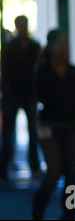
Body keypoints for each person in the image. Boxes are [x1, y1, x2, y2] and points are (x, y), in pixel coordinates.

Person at [32, 29, 75, 220]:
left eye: (66, 43)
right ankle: (39, 201)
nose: (64, 48)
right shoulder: (42, 71)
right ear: (51, 46)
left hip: (71, 126)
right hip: (50, 126)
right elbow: (41, 96)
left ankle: (70, 213)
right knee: (54, 171)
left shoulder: (74, 71)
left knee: (72, 174)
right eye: (60, 43)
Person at [0, 15, 41, 180]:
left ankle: (34, 164)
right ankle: (5, 165)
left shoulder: (34, 46)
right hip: (13, 93)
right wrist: (6, 87)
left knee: (33, 129)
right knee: (9, 131)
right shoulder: (9, 47)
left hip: (29, 92)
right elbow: (4, 69)